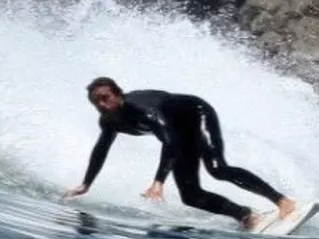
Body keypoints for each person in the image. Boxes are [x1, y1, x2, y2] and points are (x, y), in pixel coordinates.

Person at [62, 76, 298, 231]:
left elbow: (170, 142)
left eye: (105, 98)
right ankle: (245, 216)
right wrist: (86, 183)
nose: (102, 104)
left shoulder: (145, 111)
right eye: (96, 101)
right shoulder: (109, 122)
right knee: (190, 195)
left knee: (217, 169)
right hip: (176, 134)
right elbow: (101, 149)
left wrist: (158, 182)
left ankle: (282, 200)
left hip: (197, 115)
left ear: (118, 94)